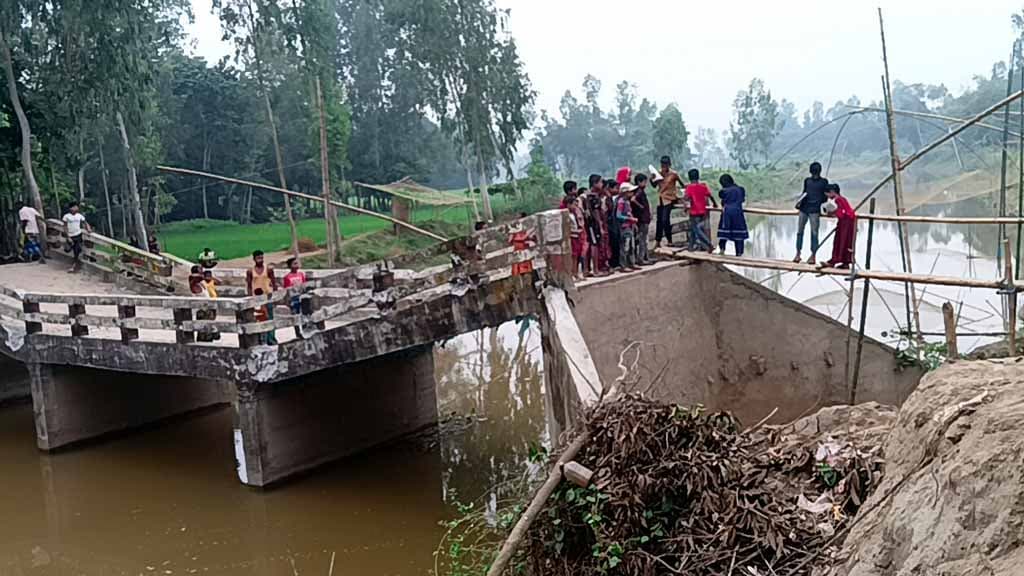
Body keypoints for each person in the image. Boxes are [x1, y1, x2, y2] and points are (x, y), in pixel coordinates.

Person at [794, 161, 830, 264]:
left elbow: (804, 193)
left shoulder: (809, 181)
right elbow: (824, 197)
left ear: (810, 171)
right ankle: (811, 255)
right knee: (813, 234)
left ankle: (799, 254)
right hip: (811, 210)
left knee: (801, 232)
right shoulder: (823, 182)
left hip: (807, 210)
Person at [821, 183, 857, 269]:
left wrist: (831, 212)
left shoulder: (838, 200)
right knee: (846, 241)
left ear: (832, 192)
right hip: (848, 222)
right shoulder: (842, 199)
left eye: (828, 194)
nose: (828, 196)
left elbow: (841, 213)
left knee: (840, 241)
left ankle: (834, 261)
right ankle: (845, 262)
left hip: (846, 222)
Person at [246, 250, 278, 344]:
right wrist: (250, 297)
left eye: (262, 257)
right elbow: (249, 285)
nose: (261, 260)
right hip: (256, 298)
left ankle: (271, 339)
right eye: (258, 258)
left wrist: (275, 295)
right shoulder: (250, 271)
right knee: (259, 318)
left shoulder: (268, 270)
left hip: (267, 296)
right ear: (254, 259)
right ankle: (261, 339)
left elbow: (274, 282)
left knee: (270, 317)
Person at [684, 169, 717, 252]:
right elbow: (710, 196)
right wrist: (715, 204)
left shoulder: (689, 187)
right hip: (703, 212)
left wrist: (685, 203)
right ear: (698, 177)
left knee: (696, 229)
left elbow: (687, 198)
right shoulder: (703, 186)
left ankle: (708, 244)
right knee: (694, 229)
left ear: (689, 178)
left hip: (694, 212)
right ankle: (691, 247)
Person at [655, 155, 684, 247]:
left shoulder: (673, 174)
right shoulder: (658, 174)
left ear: (669, 165)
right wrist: (652, 178)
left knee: (665, 220)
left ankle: (669, 240)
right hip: (660, 199)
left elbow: (682, 184)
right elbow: (654, 185)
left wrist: (680, 194)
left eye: (666, 165)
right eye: (663, 165)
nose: (664, 167)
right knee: (659, 221)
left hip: (670, 198)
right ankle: (658, 241)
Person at [717, 174, 749, 256]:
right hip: (738, 213)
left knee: (724, 232)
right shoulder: (741, 190)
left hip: (727, 213)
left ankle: (722, 249)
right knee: (739, 234)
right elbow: (742, 200)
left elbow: (722, 198)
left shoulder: (724, 191)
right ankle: (739, 253)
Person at [588, 174, 610, 273]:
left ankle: (601, 266)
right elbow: (595, 211)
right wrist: (600, 224)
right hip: (595, 223)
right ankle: (597, 268)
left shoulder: (593, 195)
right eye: (600, 182)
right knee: (596, 244)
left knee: (601, 243)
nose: (602, 184)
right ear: (594, 183)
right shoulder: (593, 196)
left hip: (598, 222)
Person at [616, 183, 640, 272]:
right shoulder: (621, 202)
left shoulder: (627, 202)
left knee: (631, 246)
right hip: (624, 227)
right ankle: (623, 265)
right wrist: (630, 219)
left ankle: (631, 263)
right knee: (625, 246)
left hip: (629, 226)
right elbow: (618, 215)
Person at [62, 202, 91, 273]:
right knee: (67, 249)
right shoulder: (66, 216)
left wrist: (88, 228)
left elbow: (85, 222)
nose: (76, 208)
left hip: (78, 234)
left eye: (76, 207)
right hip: (70, 236)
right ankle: (75, 264)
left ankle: (74, 266)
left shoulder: (79, 216)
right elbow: (65, 226)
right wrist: (67, 236)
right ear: (70, 208)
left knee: (77, 250)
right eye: (74, 207)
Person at [631, 173, 653, 265]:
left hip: (643, 219)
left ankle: (645, 257)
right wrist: (641, 207)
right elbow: (633, 199)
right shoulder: (639, 191)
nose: (646, 184)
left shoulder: (639, 191)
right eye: (644, 182)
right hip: (642, 219)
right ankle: (641, 258)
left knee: (643, 239)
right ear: (639, 182)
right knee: (642, 240)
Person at [568, 194, 588, 280]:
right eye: (573, 204)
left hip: (578, 236)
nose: (575, 206)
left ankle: (577, 273)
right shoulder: (567, 215)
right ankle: (573, 273)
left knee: (578, 255)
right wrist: (575, 231)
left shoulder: (575, 213)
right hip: (572, 236)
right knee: (573, 256)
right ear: (568, 204)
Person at [605, 179, 622, 270]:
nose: (618, 190)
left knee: (616, 242)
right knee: (613, 243)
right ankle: (613, 263)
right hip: (610, 224)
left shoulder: (615, 198)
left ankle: (617, 262)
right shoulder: (607, 199)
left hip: (615, 224)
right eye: (616, 188)